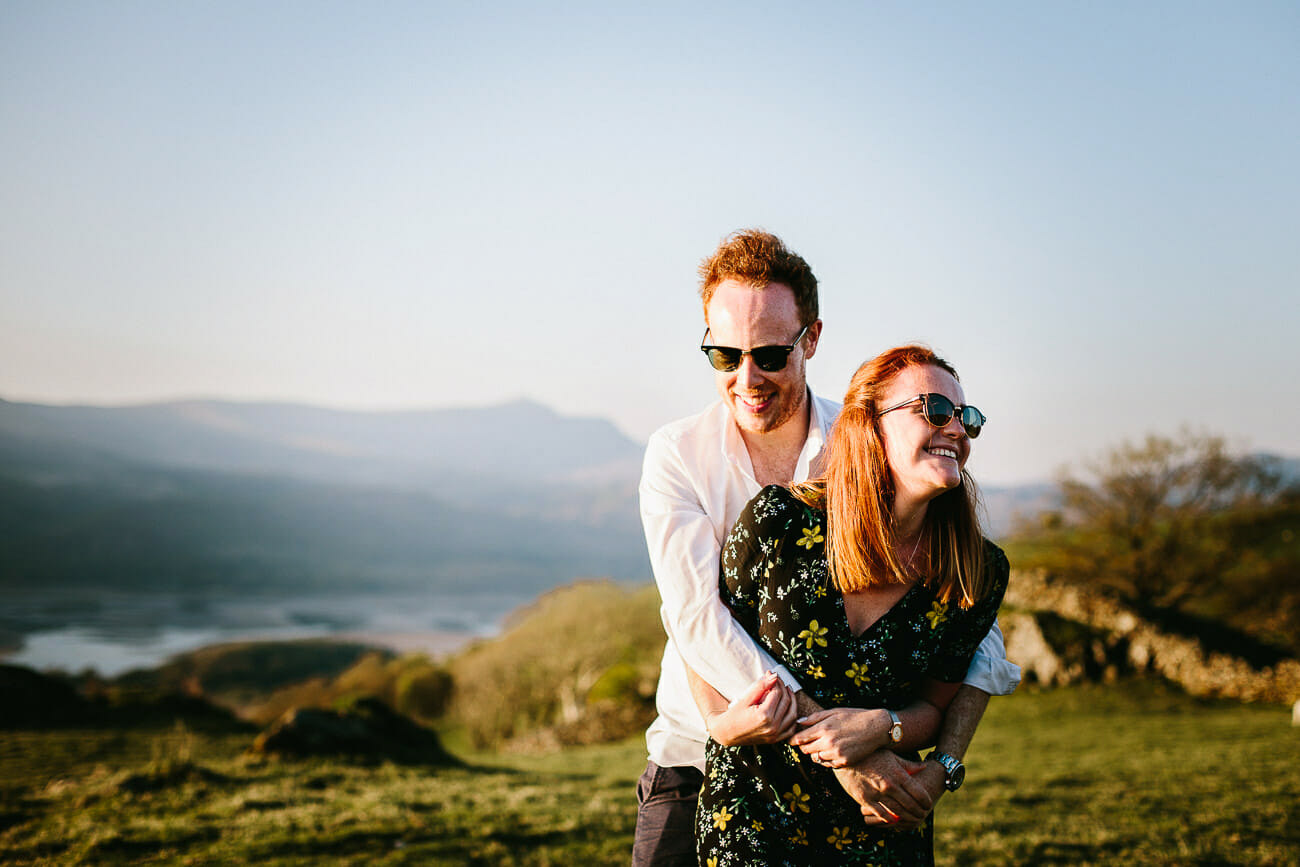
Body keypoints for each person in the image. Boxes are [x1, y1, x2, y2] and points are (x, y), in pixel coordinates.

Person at [632, 229, 1019, 866]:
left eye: (770, 354)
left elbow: (969, 623)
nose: (747, 378)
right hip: (699, 751)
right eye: (724, 355)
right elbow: (697, 618)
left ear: (810, 338)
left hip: (864, 779)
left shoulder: (872, 439)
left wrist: (941, 761)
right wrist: (841, 752)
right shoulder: (678, 454)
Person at [690, 344, 1010, 863]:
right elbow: (705, 633)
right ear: (870, 426)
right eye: (934, 410)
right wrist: (718, 723)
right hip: (755, 810)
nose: (956, 429)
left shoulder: (976, 568)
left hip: (881, 816)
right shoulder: (780, 522)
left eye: (965, 417)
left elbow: (934, 706)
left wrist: (883, 724)